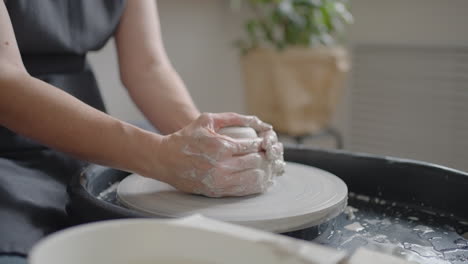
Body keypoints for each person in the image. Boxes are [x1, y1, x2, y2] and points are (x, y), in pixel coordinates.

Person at [0, 1, 284, 263]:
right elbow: (6, 81)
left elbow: (147, 68)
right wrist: (158, 156)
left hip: (91, 138)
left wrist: (210, 144)